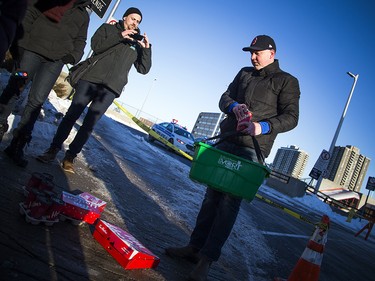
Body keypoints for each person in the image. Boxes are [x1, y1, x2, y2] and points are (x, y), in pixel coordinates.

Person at [165, 35, 300, 281]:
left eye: (257, 52)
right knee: (211, 196)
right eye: (250, 52)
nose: (252, 56)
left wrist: (262, 127)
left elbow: (291, 117)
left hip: (252, 148)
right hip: (227, 140)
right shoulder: (244, 73)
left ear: (272, 53)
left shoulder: (286, 81)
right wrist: (233, 106)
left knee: (228, 202)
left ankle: (206, 260)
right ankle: (194, 248)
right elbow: (224, 98)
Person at [37, 7, 152, 173]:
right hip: (90, 80)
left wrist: (147, 49)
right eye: (133, 19)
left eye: (138, 21)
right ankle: (53, 149)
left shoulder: (137, 43)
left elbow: (143, 69)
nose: (135, 23)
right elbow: (96, 46)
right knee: (72, 115)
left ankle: (70, 157)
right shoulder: (109, 29)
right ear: (125, 17)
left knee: (89, 124)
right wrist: (119, 36)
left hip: (110, 89)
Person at [0, 0, 91, 166]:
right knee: (15, 86)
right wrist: (21, 43)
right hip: (30, 52)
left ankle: (18, 145)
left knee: (37, 101)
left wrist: (71, 57)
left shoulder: (83, 14)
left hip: (55, 62)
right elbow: (30, 13)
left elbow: (81, 40)